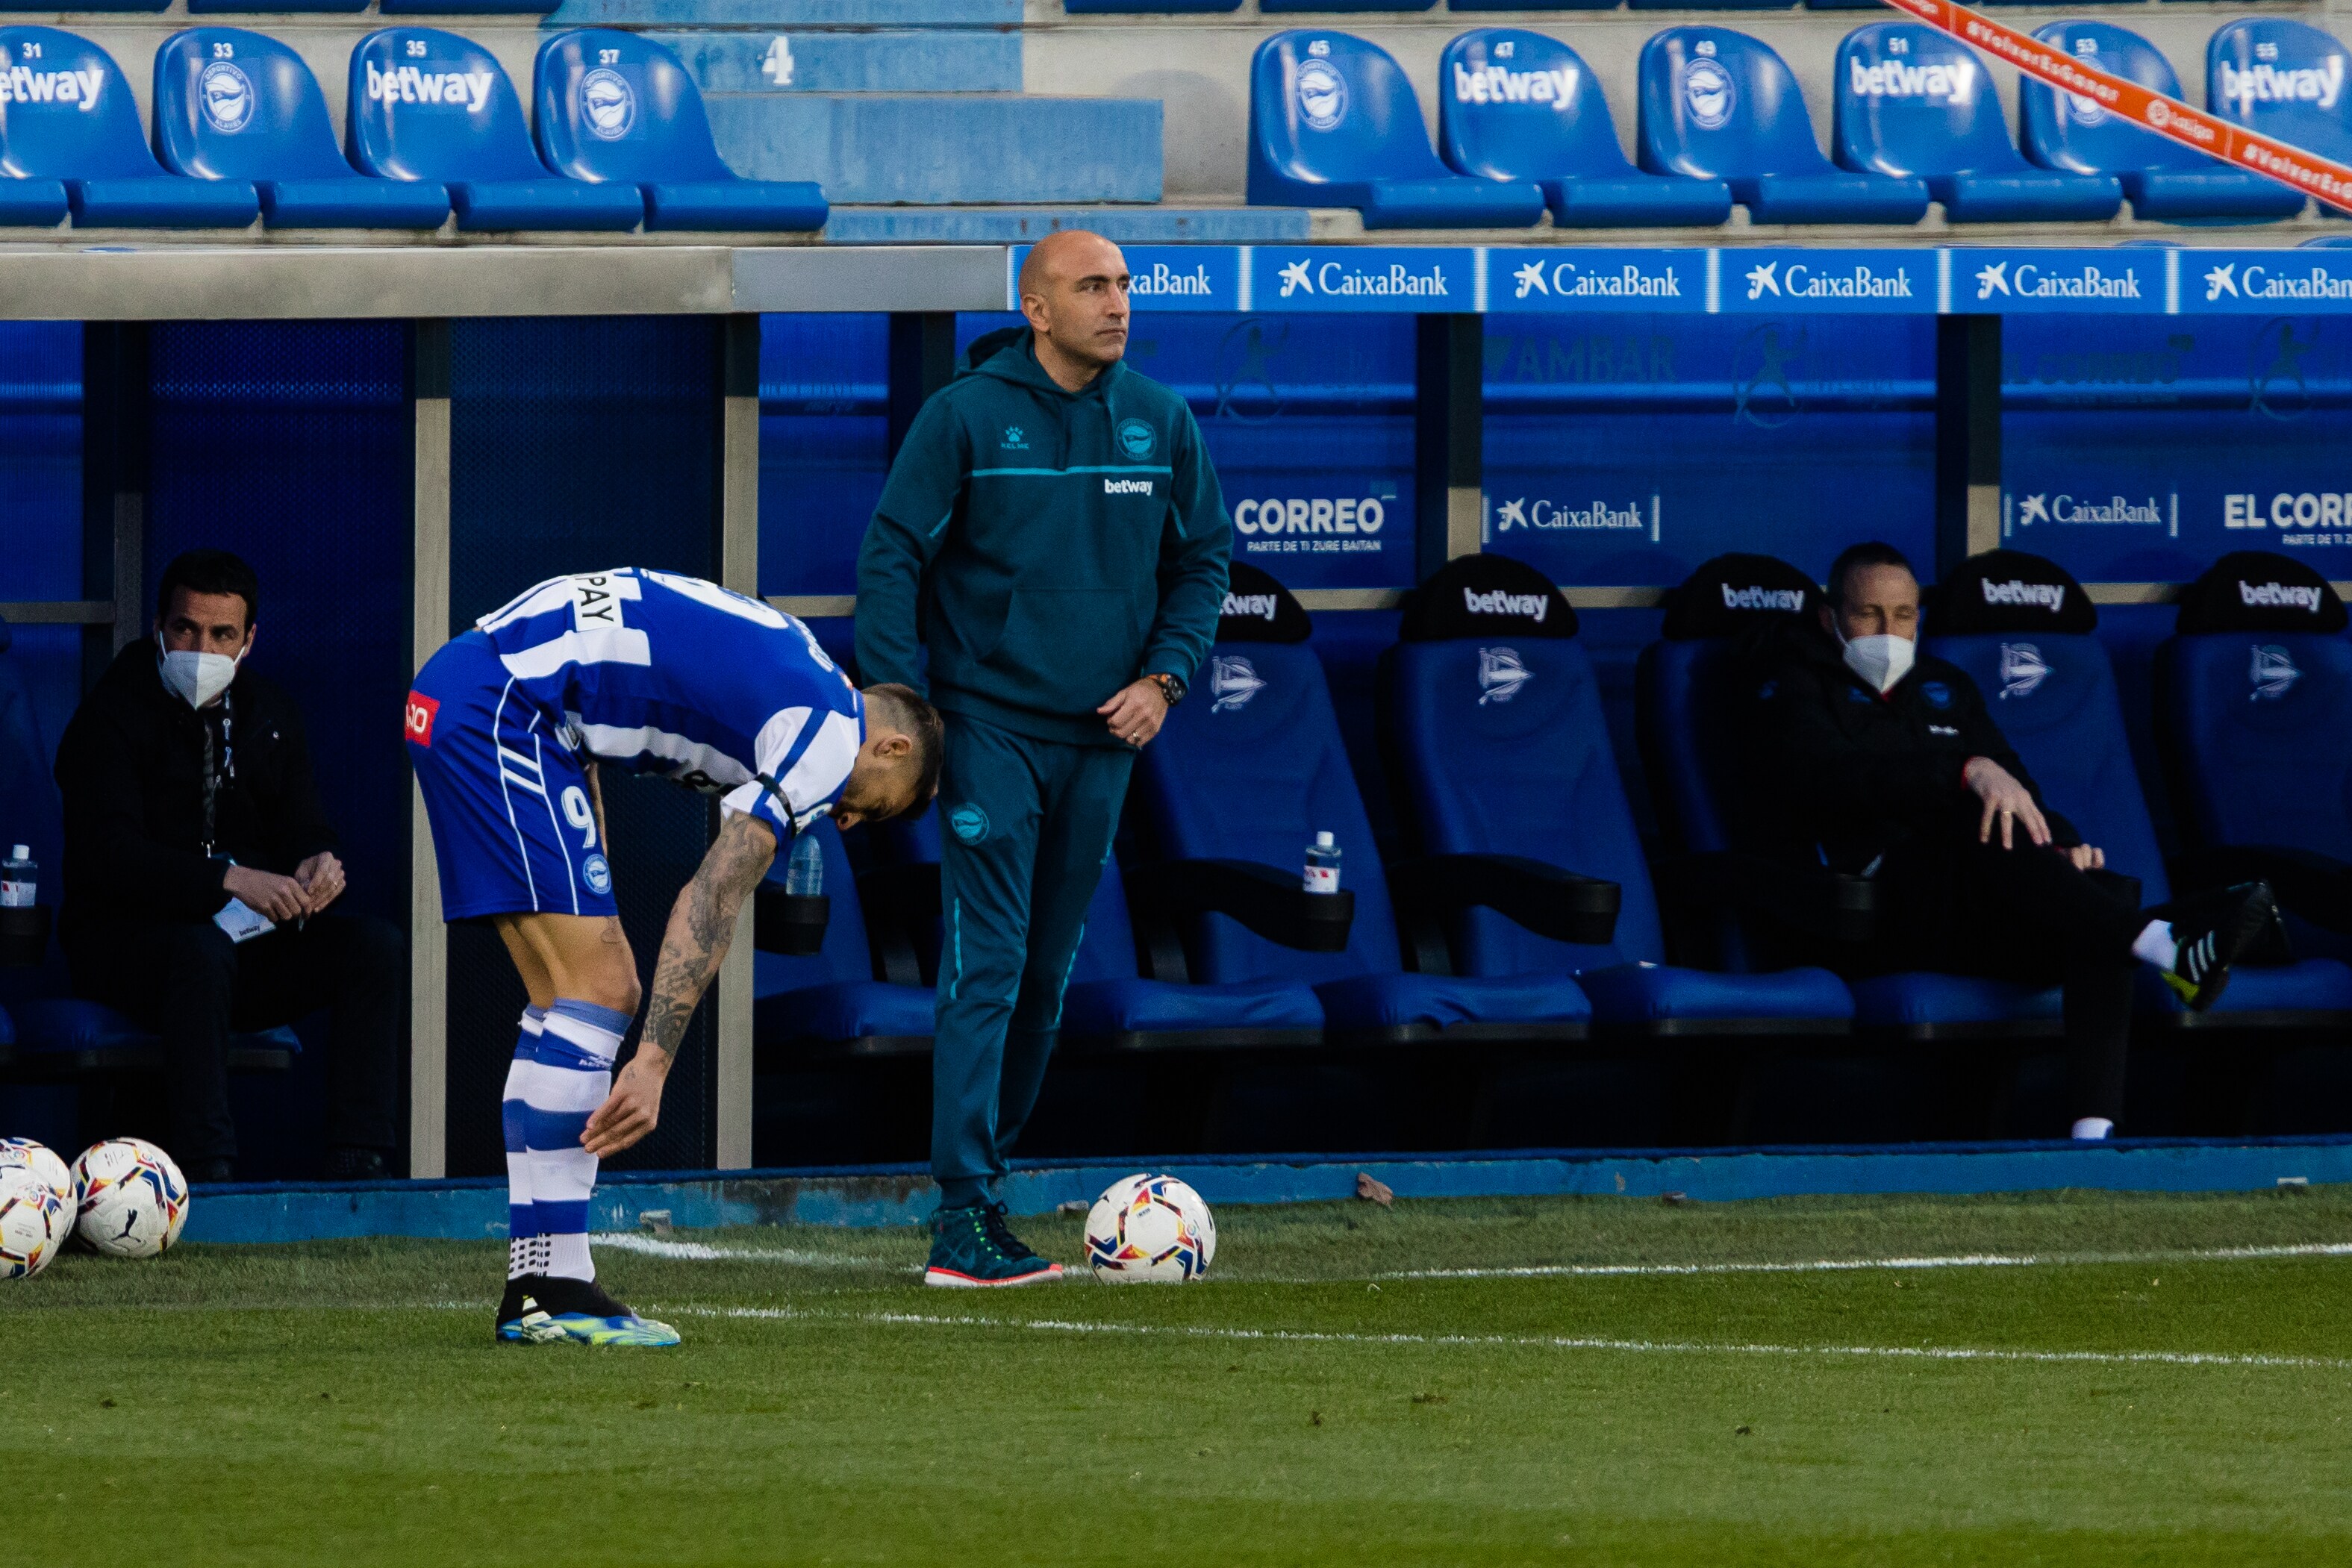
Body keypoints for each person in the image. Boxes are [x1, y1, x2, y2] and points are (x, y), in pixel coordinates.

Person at [408, 566, 938, 1346]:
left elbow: (604, 674)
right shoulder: (830, 735)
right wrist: (653, 1063)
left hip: (479, 695)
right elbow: (714, 893)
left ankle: (541, 1280)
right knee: (603, 987)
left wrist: (586, 837)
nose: (852, 821)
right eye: (876, 804)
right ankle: (551, 1286)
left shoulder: (802, 672)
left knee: (569, 999)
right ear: (889, 745)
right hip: (503, 708)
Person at [858, 229, 1231, 1286]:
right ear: (1035, 307)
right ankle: (960, 1213)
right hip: (988, 733)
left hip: (1103, 739)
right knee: (989, 962)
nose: (1115, 304)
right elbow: (891, 554)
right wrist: (904, 714)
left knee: (1046, 978)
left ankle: (989, 1185)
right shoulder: (965, 416)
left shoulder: (1159, 418)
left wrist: (1164, 678)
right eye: (1090, 287)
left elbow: (1204, 560)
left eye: (1121, 285)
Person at [1753, 542, 2275, 1140]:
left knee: (2093, 894)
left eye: (1902, 615)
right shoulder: (1789, 683)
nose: (1887, 631)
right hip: (1875, 906)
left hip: (1971, 906)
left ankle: (2092, 1134)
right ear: (1830, 618)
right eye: (1867, 614)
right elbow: (1826, 781)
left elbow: (2017, 787)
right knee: (1983, 823)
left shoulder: (1944, 685)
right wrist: (1961, 772)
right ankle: (2161, 942)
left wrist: (2059, 844)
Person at [54, 549, 402, 1185]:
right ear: (158, 626)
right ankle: (208, 1172)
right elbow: (111, 856)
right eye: (186, 629)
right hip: (126, 947)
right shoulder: (109, 715)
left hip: (240, 949)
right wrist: (229, 878)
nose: (200, 647)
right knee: (199, 953)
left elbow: (306, 825)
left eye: (221, 635)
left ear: (249, 640)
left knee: (373, 947)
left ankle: (361, 1165)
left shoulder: (270, 711)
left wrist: (318, 864)